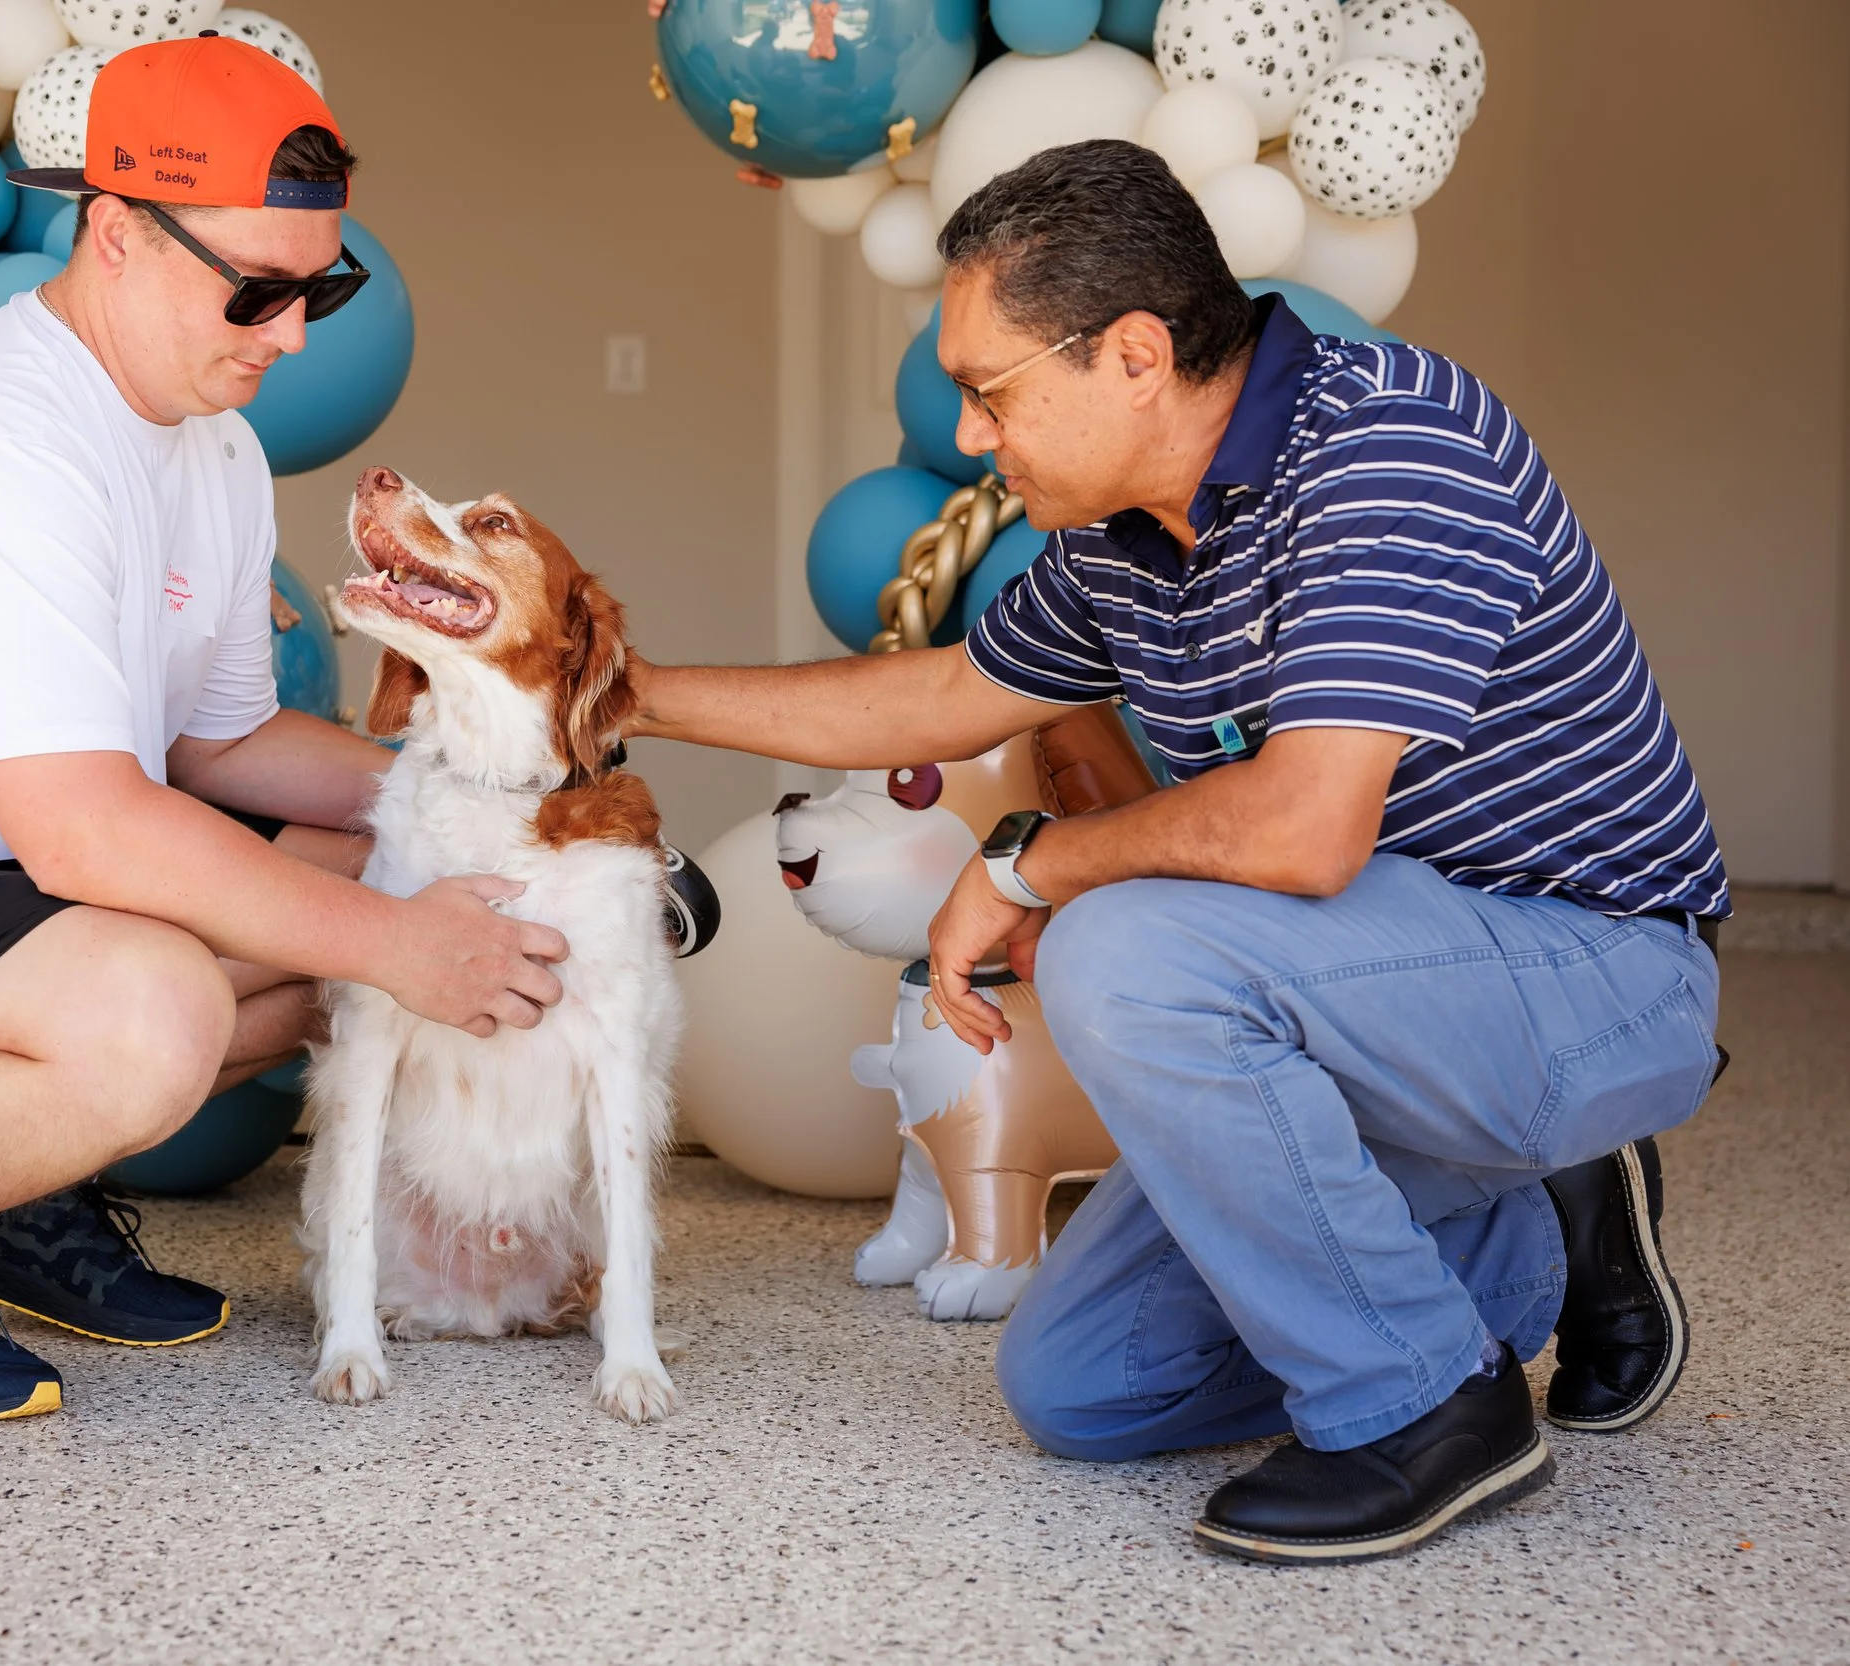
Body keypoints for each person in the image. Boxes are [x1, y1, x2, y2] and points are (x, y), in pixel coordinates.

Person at [628, 140, 1726, 1564]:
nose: (972, 436)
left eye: (989, 388)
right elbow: (938, 695)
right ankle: (1515, 1242)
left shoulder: (1392, 443)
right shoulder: (1125, 539)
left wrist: (1030, 864)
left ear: (1134, 355)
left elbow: (1302, 826)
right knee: (1080, 1385)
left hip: (1596, 971)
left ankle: (1430, 1407)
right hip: (1373, 990)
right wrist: (628, 690)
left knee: (1125, 941)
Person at [0, 37, 567, 1427]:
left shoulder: (209, 443)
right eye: (257, 290)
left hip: (9, 902)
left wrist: (509, 808)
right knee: (169, 1011)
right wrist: (405, 940)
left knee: (395, 859)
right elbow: (82, 821)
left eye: (320, 286)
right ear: (114, 234)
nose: (291, 336)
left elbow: (225, 744)